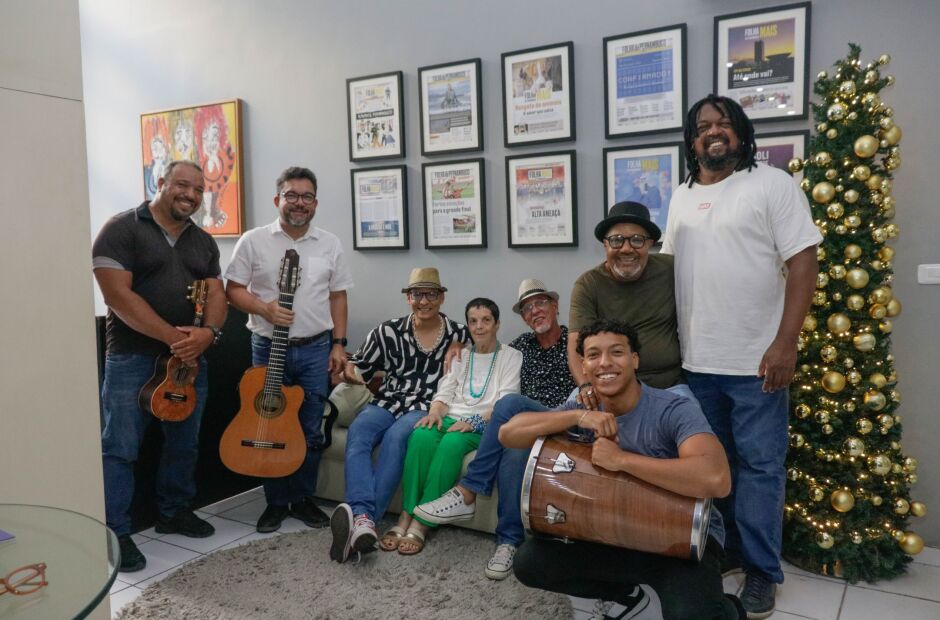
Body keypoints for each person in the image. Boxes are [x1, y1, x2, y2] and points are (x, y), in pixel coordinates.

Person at [661, 94, 820, 619]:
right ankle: (724, 550)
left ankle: (760, 571)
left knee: (760, 469)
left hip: (757, 364)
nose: (714, 131)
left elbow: (803, 264)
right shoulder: (681, 196)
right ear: (692, 140)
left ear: (741, 132)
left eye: (724, 123)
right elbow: (667, 272)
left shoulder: (772, 184)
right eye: (704, 126)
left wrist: (785, 343)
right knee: (711, 467)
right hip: (696, 362)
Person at [502, 319, 744, 620]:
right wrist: (576, 416)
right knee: (529, 562)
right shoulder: (582, 409)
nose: (605, 363)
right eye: (593, 355)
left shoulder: (673, 409)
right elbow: (509, 434)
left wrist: (622, 461)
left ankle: (729, 610)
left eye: (616, 352)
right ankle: (626, 595)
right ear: (584, 367)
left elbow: (717, 480)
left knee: (691, 615)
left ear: (635, 360)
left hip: (680, 541)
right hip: (611, 534)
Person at [93, 160, 227, 573]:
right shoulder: (122, 228)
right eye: (182, 185)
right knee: (120, 447)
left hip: (187, 361)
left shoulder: (203, 242)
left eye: (198, 189)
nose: (190, 194)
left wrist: (209, 335)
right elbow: (118, 297)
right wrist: (177, 338)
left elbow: (217, 293)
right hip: (132, 358)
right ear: (160, 183)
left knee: (183, 441)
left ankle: (175, 512)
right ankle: (115, 532)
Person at [413, 278, 576, 580]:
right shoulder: (521, 347)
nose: (535, 311)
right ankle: (508, 542)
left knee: (508, 403)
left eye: (541, 303)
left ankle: (468, 491)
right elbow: (485, 349)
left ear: (555, 306)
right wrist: (457, 345)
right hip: (526, 426)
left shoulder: (574, 340)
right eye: (527, 308)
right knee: (512, 456)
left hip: (560, 418)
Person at [225, 166, 353, 533]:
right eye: (292, 195)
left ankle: (301, 498)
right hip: (268, 347)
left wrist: (339, 345)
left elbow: (338, 295)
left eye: (307, 197)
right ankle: (275, 503)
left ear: (315, 203)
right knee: (267, 422)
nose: (299, 203)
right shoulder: (253, 240)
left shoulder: (329, 243)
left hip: (315, 349)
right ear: (277, 199)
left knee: (310, 428)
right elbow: (233, 289)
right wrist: (264, 308)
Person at [329, 268, 470, 563]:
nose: (424, 301)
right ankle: (364, 519)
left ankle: (362, 520)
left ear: (442, 298)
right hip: (388, 401)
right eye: (417, 294)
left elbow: (483, 353)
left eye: (431, 294)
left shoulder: (459, 333)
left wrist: (462, 347)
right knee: (359, 432)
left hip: (424, 407)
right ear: (408, 298)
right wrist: (349, 372)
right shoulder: (387, 331)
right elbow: (361, 366)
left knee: (395, 439)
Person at [382, 298, 522, 556]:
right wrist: (435, 413)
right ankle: (406, 513)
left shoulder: (511, 356)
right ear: (468, 325)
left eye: (486, 320)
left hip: (483, 424)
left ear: (497, 324)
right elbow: (444, 392)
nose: (479, 327)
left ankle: (422, 523)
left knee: (451, 443)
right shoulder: (460, 355)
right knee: (421, 435)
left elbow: (505, 402)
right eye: (473, 321)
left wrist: (474, 422)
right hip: (449, 417)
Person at [568, 201, 690, 399]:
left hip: (668, 387)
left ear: (650, 244)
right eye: (616, 240)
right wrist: (585, 386)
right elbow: (576, 346)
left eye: (636, 240)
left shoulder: (671, 270)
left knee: (695, 426)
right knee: (567, 425)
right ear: (605, 244)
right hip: (606, 388)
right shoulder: (588, 284)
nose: (626, 249)